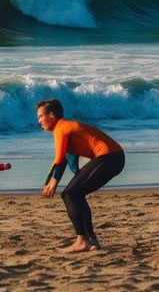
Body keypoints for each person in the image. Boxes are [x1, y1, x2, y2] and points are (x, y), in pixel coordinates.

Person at [38, 98, 124, 253]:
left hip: (108, 157)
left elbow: (58, 159)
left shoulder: (61, 128)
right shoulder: (66, 127)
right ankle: (91, 241)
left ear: (51, 115)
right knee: (75, 193)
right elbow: (66, 159)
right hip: (114, 157)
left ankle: (82, 241)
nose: (39, 121)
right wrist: (53, 183)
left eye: (41, 116)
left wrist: (49, 182)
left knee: (70, 194)